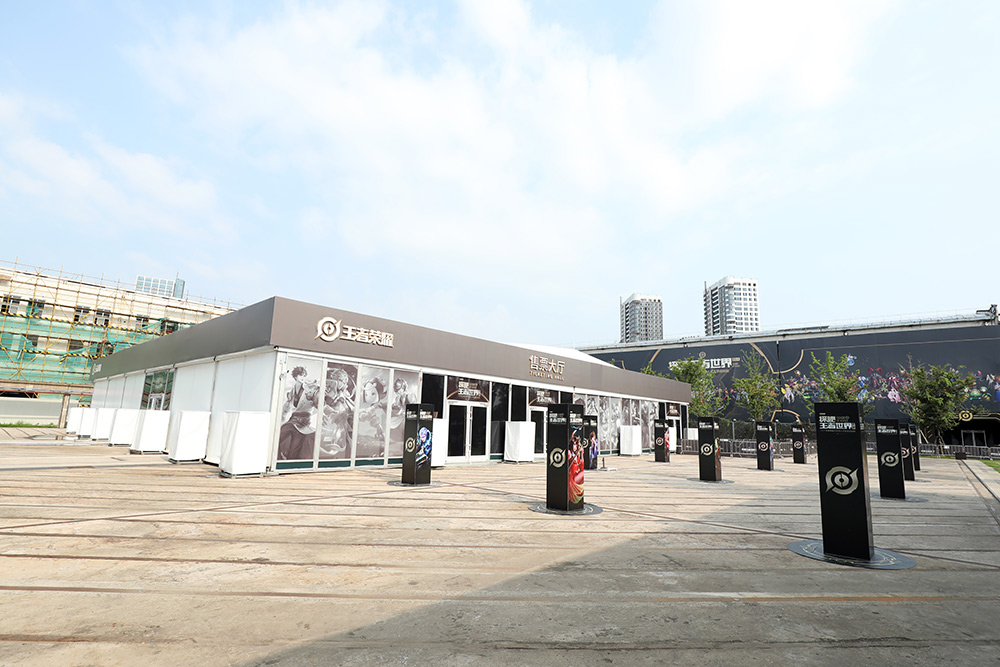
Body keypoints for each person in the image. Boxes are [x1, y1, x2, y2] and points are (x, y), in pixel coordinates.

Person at [278, 366, 318, 460]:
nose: (303, 377)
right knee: (280, 434)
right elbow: (288, 407)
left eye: (304, 375)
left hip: (304, 420)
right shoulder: (292, 390)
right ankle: (280, 457)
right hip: (293, 418)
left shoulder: (309, 388)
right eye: (300, 375)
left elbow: (316, 401)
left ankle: (289, 461)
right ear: (295, 376)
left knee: (294, 448)